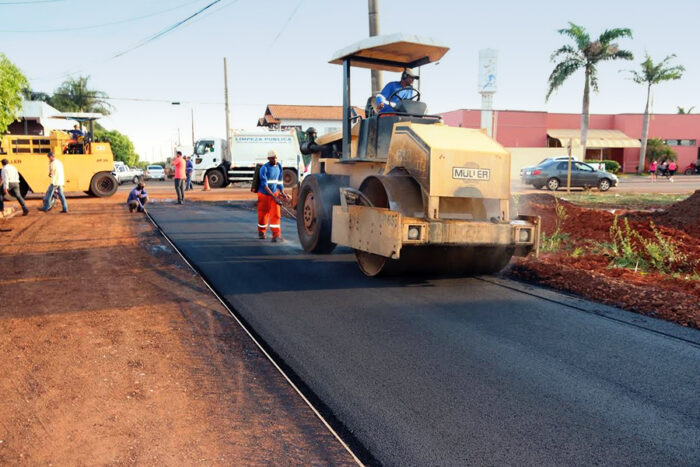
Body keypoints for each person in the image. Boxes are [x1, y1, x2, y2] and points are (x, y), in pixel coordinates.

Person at [256, 149, 289, 242]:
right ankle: (261, 232)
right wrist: (274, 197)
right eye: (272, 158)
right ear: (268, 159)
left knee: (276, 214)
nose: (274, 160)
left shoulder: (279, 166)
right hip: (264, 194)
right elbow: (264, 185)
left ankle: (276, 235)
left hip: (275, 193)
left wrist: (282, 192)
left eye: (275, 158)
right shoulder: (264, 168)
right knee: (263, 214)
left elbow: (279, 181)